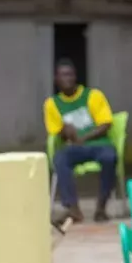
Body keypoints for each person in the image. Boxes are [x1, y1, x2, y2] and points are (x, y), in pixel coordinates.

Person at [44, 58, 117, 223]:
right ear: (56, 80)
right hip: (74, 148)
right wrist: (64, 130)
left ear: (75, 76)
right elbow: (55, 131)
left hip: (99, 144)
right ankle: (73, 209)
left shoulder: (93, 95)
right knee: (60, 159)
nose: (67, 79)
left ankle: (101, 208)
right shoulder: (52, 104)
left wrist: (83, 138)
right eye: (62, 76)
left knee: (110, 157)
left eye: (70, 74)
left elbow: (105, 124)